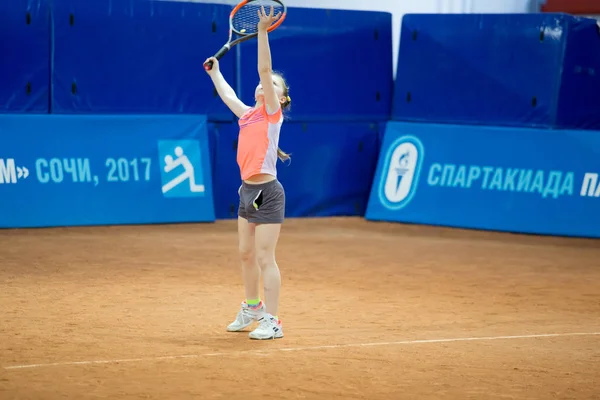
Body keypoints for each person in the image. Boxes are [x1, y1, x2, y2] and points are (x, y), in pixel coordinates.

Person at [204, 6, 291, 340]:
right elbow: (227, 95)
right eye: (260, 83)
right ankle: (252, 307)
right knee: (245, 253)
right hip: (247, 193)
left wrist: (262, 32)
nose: (262, 83)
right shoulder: (247, 115)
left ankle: (272, 320)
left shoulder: (271, 114)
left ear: (279, 99)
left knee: (266, 256)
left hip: (268, 193)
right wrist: (215, 72)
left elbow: (264, 66)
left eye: (270, 85)